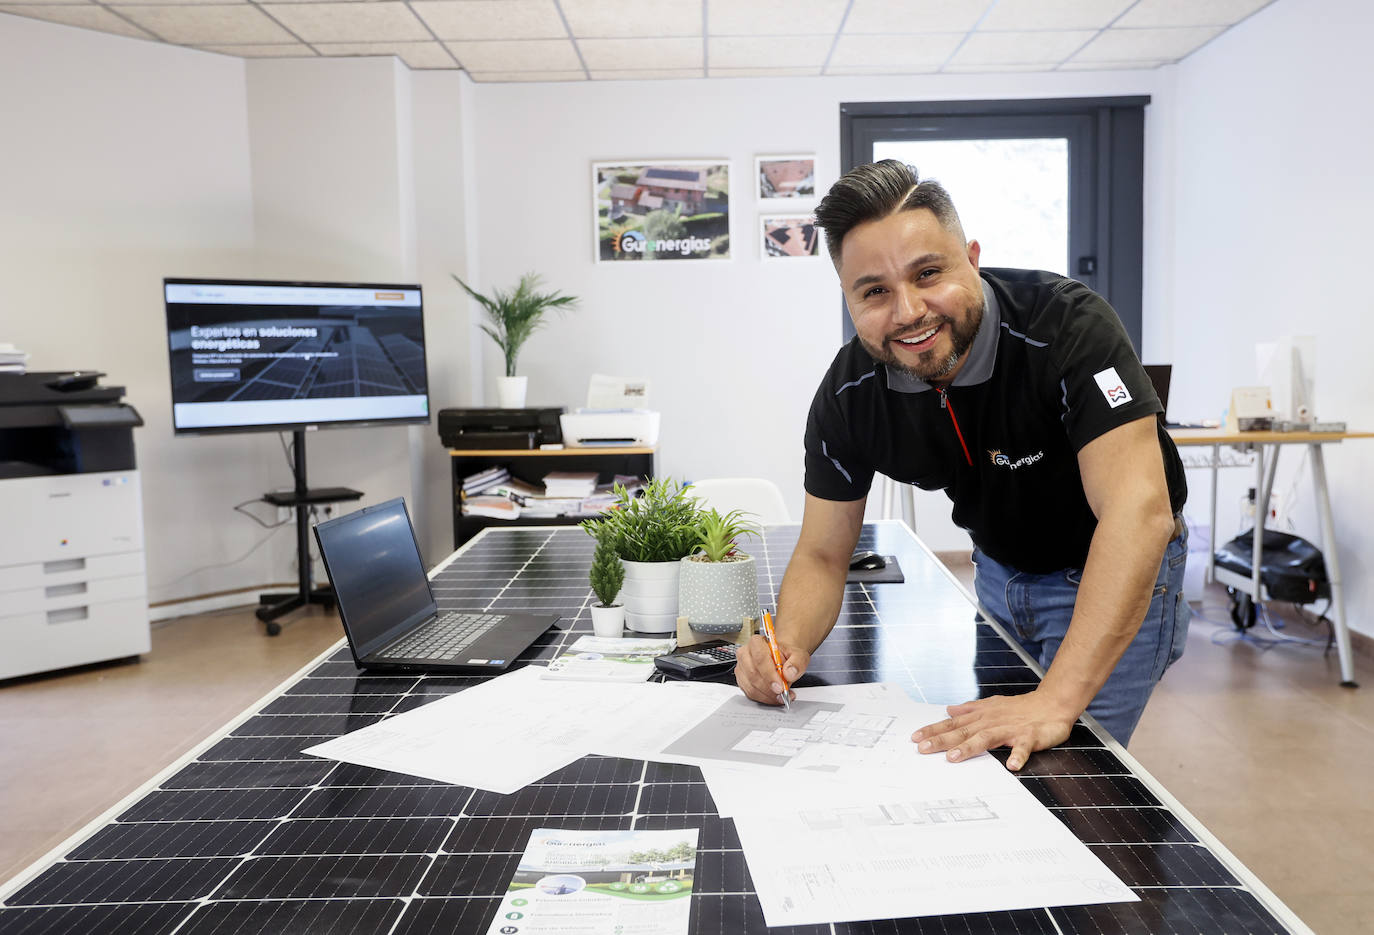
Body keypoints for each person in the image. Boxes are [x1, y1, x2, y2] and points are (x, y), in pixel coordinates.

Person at [735, 159, 1189, 770]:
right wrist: (784, 647)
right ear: (848, 300)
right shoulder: (851, 396)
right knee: (997, 756)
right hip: (998, 573)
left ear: (972, 259)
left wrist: (1055, 699)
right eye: (874, 291)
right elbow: (822, 553)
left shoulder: (1068, 328)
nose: (907, 311)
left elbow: (1139, 513)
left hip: (1113, 565)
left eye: (928, 273)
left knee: (1071, 774)